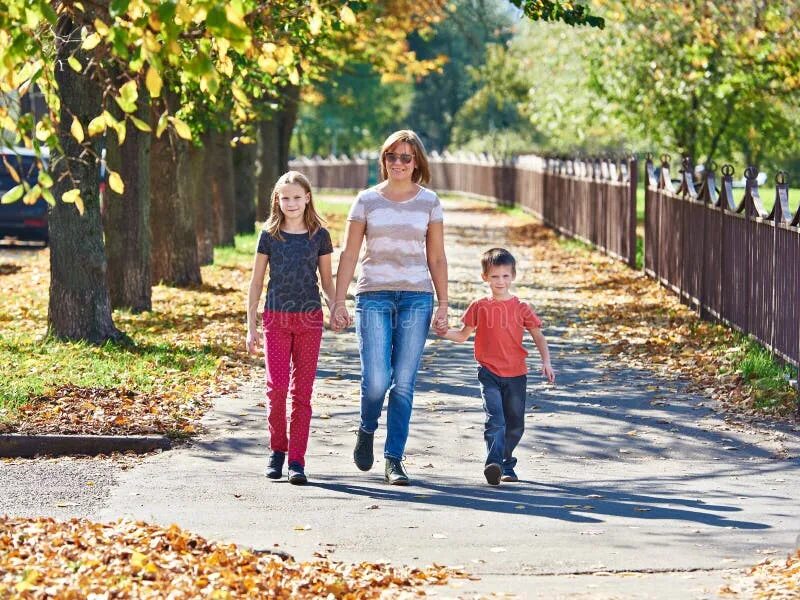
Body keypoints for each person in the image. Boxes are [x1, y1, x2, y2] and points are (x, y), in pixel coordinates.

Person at [331, 130, 449, 486]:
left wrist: (444, 303)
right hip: (374, 297)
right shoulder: (366, 200)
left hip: (417, 298)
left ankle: (393, 459)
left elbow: (437, 257)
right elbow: (350, 253)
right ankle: (366, 428)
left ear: (417, 163)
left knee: (404, 384)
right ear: (383, 161)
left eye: (406, 158)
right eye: (392, 157)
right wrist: (338, 300)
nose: (398, 163)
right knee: (377, 381)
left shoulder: (429, 202)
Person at [246, 171, 335, 485]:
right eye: (285, 198)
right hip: (276, 318)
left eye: (297, 197)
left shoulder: (319, 235)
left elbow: (326, 282)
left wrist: (337, 306)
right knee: (277, 389)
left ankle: (297, 459)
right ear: (277, 200)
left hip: (310, 319)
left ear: (308, 197)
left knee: (302, 394)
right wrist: (251, 325)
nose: (292, 203)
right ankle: (277, 451)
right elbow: (257, 281)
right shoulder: (269, 235)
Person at [439, 248, 555, 485]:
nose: (500, 281)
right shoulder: (479, 306)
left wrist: (546, 361)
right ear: (485, 277)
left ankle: (505, 463)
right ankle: (494, 463)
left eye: (505, 276)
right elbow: (462, 336)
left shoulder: (522, 307)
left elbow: (538, 336)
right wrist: (443, 332)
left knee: (515, 425)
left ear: (512, 276)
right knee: (496, 419)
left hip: (516, 374)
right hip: (488, 371)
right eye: (494, 276)